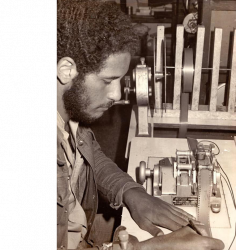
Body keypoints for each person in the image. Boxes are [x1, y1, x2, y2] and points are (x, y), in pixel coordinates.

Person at [56, 1, 224, 249]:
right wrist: (150, 247)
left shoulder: (70, 114)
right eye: (108, 80)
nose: (116, 94)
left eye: (121, 79)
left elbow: (91, 158)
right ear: (66, 70)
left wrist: (131, 193)